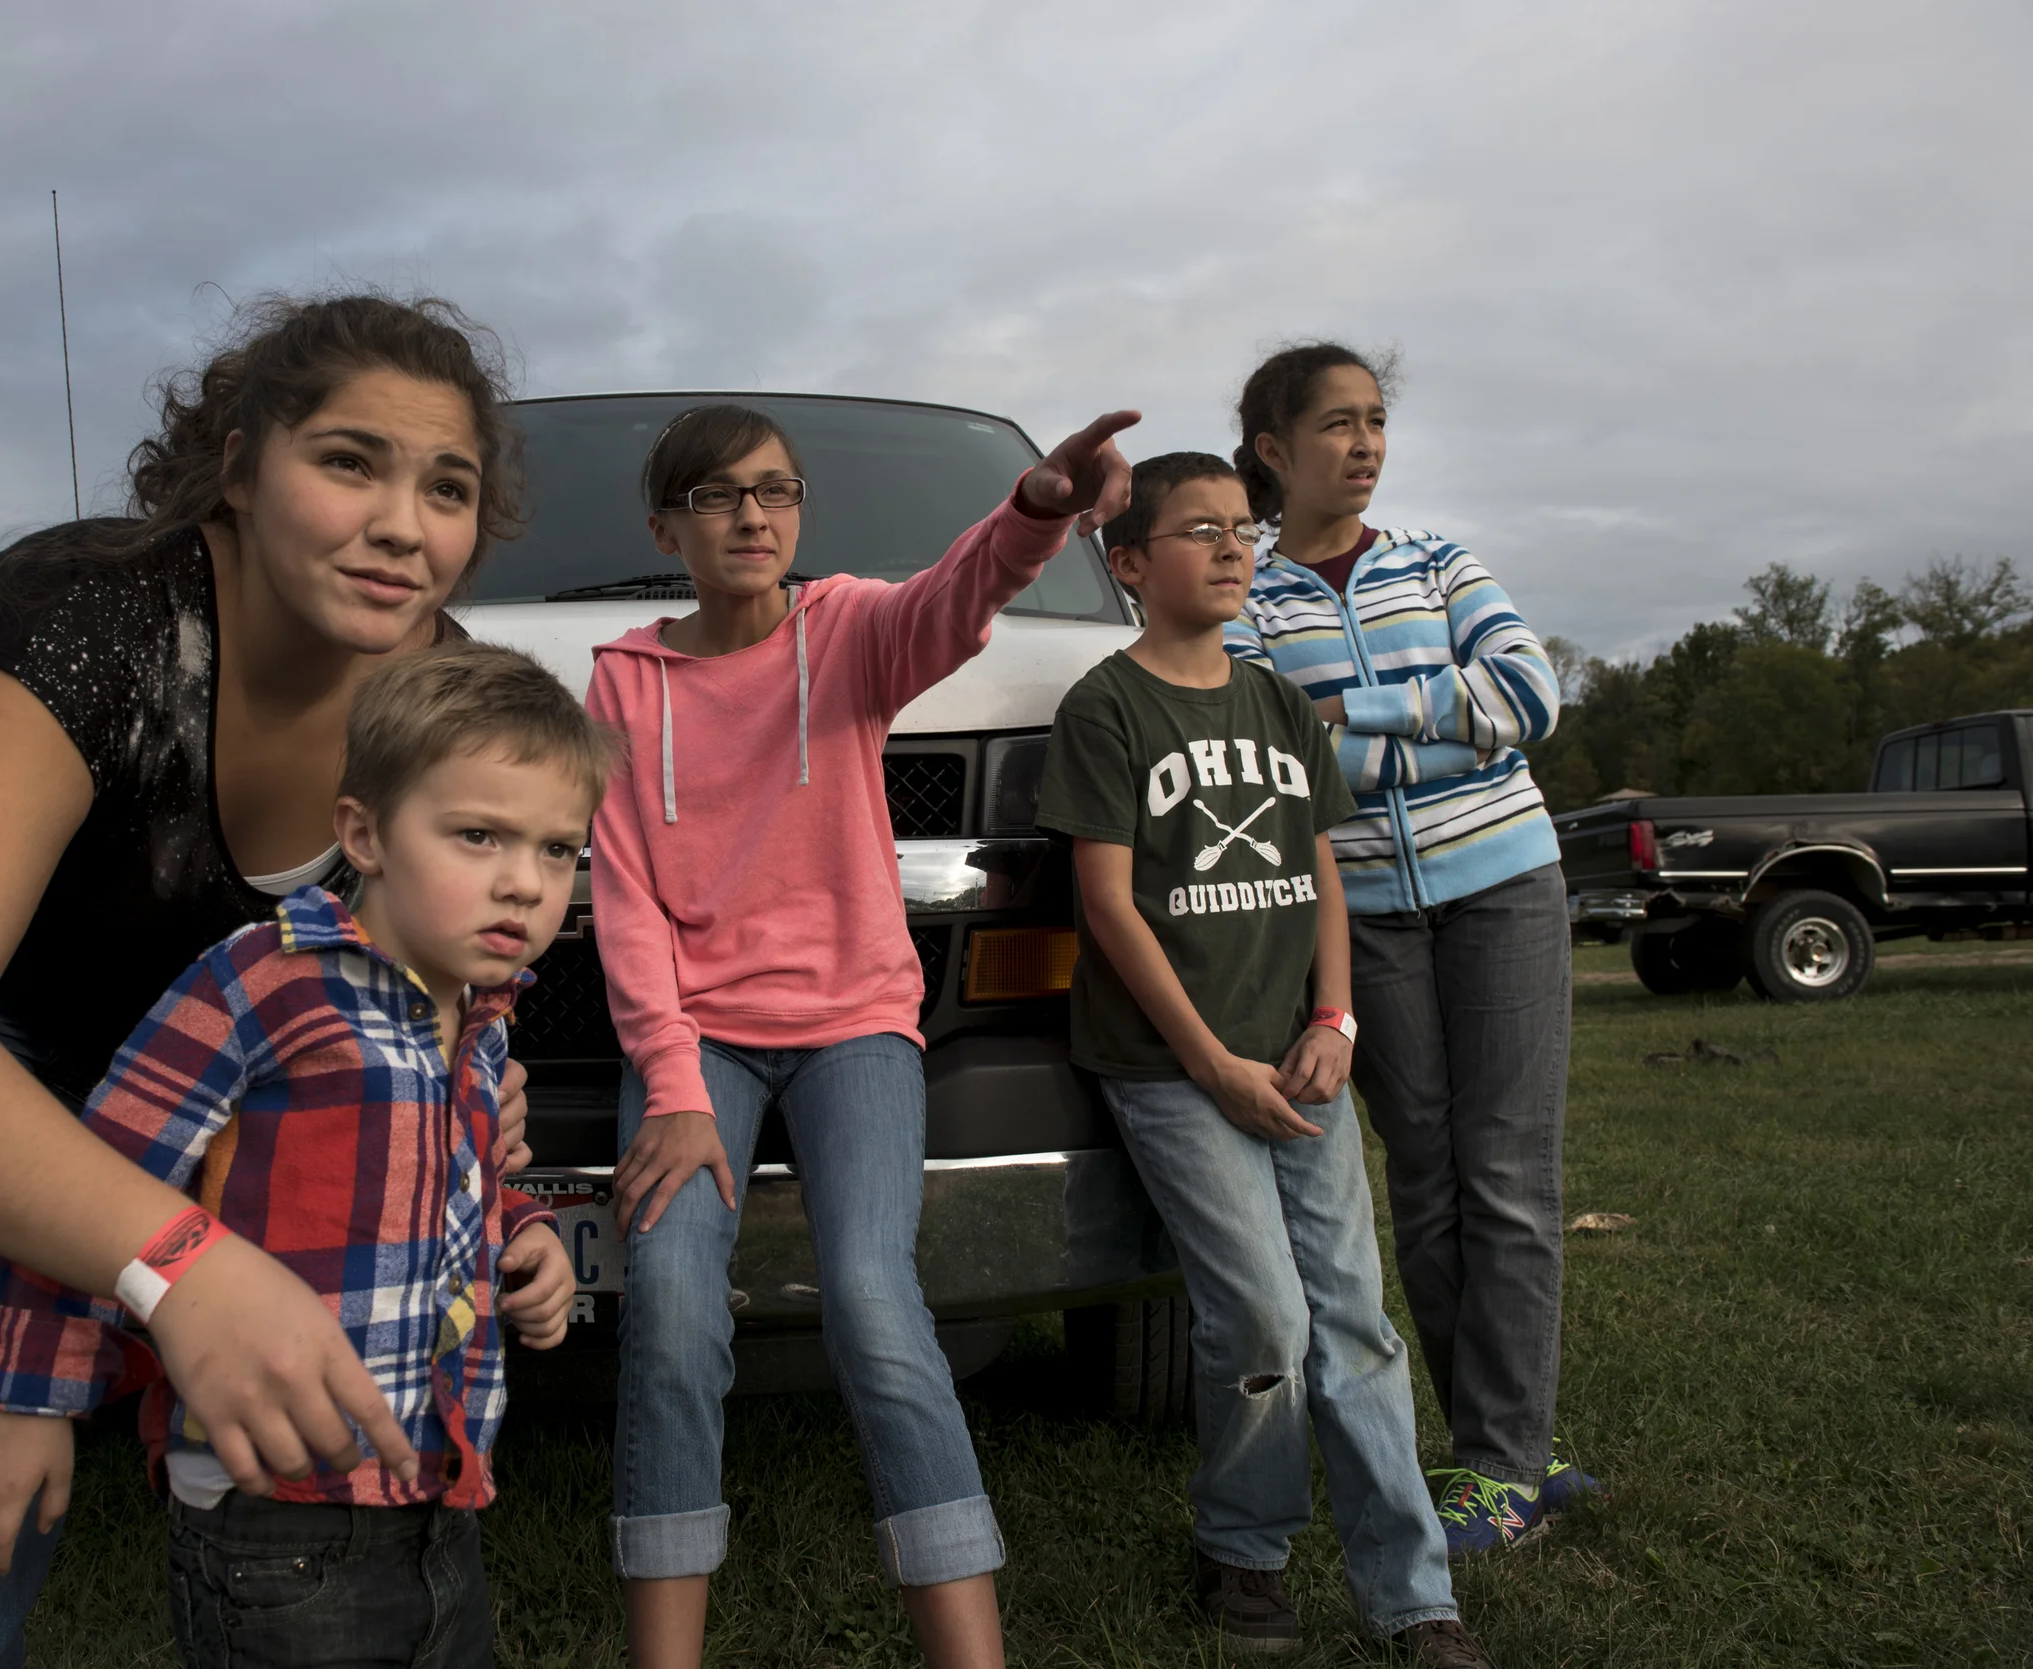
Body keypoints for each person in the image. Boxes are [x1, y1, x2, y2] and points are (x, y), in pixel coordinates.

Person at [0, 293, 538, 1669]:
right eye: (349, 461)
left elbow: (437, 940)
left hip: (145, 1032)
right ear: (236, 467)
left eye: (446, 487)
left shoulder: (435, 684)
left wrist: (475, 1079)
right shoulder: (85, 614)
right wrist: (183, 1268)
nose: (404, 524)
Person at [587, 401, 1138, 1669]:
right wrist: (670, 1083)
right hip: (695, 1043)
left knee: (877, 1303)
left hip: (854, 1027)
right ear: (666, 523)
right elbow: (622, 903)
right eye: (720, 495)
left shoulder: (845, 632)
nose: (753, 516)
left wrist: (1037, 509)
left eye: (776, 492)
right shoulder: (622, 682)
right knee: (669, 1308)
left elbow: (952, 599)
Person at [0, 645, 596, 1668]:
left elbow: (440, 1178)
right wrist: (30, 1398)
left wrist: (525, 1228)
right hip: (274, 1517)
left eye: (558, 850)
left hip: (434, 1497)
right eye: (478, 835)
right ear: (363, 833)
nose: (524, 882)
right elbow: (93, 1181)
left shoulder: (477, 1013)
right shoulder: (261, 983)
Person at [1037, 450, 1491, 1667]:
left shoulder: (1278, 700)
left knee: (1355, 1322)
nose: (1236, 549)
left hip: (1298, 1065)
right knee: (1261, 1322)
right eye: (1200, 531)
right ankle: (1244, 1549)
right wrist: (1210, 1062)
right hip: (1170, 1069)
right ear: (1129, 564)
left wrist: (1333, 1024)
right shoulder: (1107, 708)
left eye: (1244, 528)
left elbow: (1322, 867)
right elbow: (1110, 907)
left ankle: (1413, 1597)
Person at [1225, 343, 1596, 1556]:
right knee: (1429, 1184)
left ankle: (1502, 1461)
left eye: (1376, 420)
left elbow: (1531, 696)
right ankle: (1504, 1450)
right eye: (1337, 423)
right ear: (1274, 451)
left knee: (1510, 1178)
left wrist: (1361, 713)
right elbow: (1277, 770)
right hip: (1365, 918)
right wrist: (1444, 719)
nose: (1366, 444)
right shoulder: (1250, 605)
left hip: (1505, 888)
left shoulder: (1439, 561)